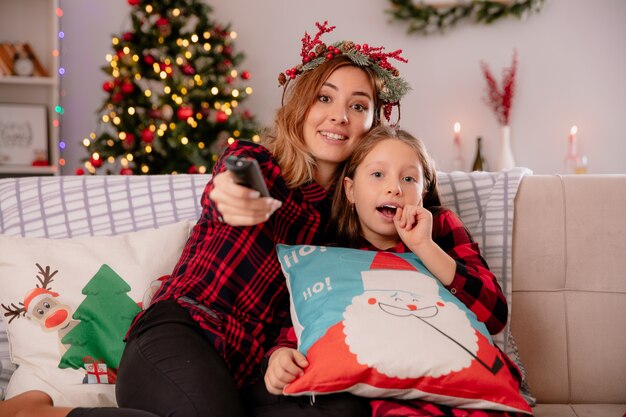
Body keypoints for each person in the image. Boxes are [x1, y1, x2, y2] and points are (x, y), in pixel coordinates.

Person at [0, 21, 409, 417]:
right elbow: (235, 179)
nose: (339, 115)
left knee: (346, 407)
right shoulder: (259, 163)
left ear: (374, 124)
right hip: (181, 336)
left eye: (358, 106)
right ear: (301, 107)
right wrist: (236, 196)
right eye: (325, 97)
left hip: (257, 373)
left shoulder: (353, 222)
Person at [263, 125, 530, 417]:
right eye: (378, 175)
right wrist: (280, 353)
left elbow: (494, 315)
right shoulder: (329, 252)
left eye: (409, 178)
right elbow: (308, 321)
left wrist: (424, 247)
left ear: (423, 192)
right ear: (350, 190)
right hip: (389, 394)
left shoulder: (440, 228)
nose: (395, 188)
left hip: (464, 381)